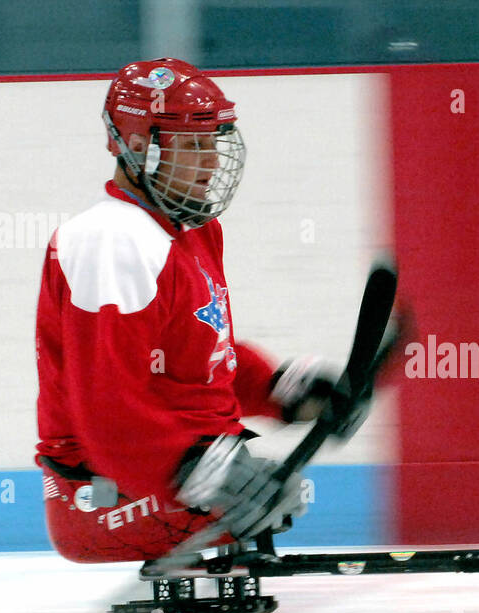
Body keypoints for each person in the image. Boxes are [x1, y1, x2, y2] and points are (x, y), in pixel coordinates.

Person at [35, 58, 340, 563]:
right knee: (276, 494)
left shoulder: (192, 230)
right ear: (138, 146)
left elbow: (198, 357)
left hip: (162, 476)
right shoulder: (112, 240)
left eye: (213, 144)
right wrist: (206, 472)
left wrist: (285, 390)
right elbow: (107, 412)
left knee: (278, 493)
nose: (212, 164)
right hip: (104, 499)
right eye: (192, 145)